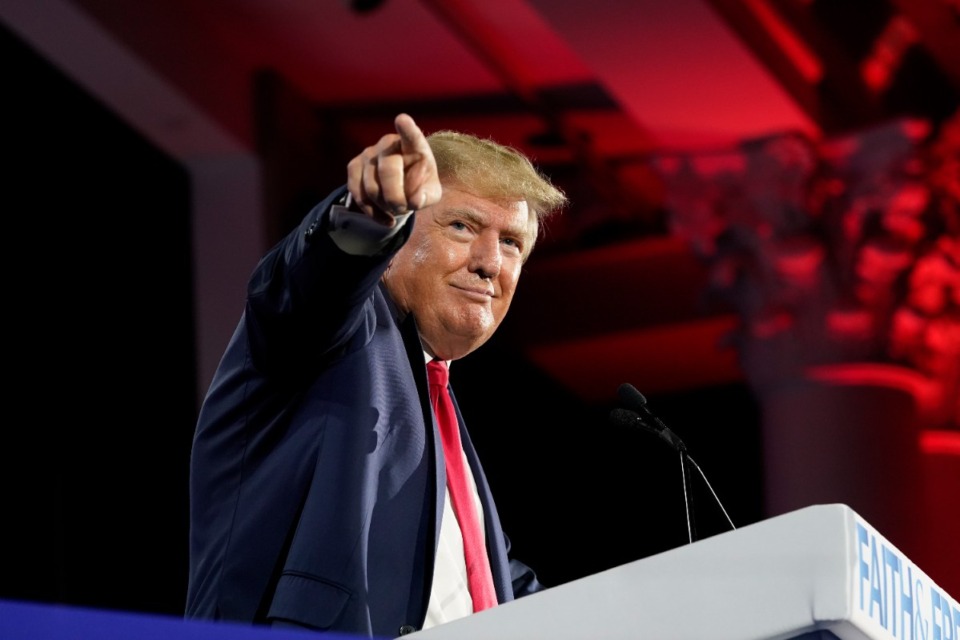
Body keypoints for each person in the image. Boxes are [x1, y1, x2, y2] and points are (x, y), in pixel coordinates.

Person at [185, 113, 568, 637]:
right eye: (462, 226)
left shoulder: (440, 415)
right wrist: (365, 219)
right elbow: (313, 283)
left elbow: (488, 587)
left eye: (511, 244)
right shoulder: (336, 335)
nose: (489, 263)